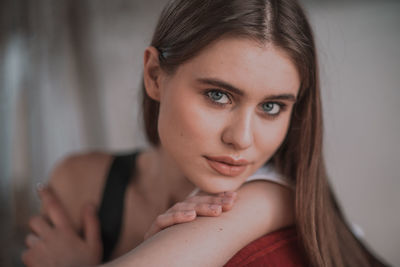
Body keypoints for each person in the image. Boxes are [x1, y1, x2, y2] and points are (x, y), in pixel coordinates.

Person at [22, 0, 389, 266]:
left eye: (272, 106)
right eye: (218, 95)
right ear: (154, 75)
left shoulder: (269, 197)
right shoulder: (80, 181)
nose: (242, 139)